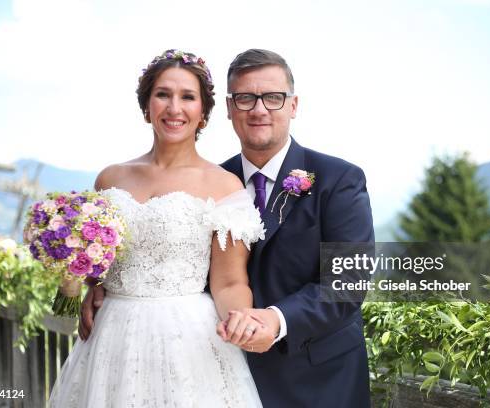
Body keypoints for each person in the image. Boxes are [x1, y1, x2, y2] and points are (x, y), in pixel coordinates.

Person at [82, 49, 375, 407]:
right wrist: (94, 286)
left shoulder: (339, 179)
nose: (259, 109)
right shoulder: (214, 181)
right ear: (228, 107)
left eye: (273, 97)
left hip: (317, 378)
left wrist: (277, 320)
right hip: (208, 366)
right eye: (246, 98)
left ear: (293, 105)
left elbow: (349, 283)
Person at [49, 49, 265, 407]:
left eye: (187, 97)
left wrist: (240, 321)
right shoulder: (110, 179)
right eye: (163, 94)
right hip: (110, 339)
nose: (174, 108)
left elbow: (229, 282)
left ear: (203, 112)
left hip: (187, 341)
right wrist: (89, 286)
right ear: (146, 105)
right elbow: (95, 265)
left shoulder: (224, 186)